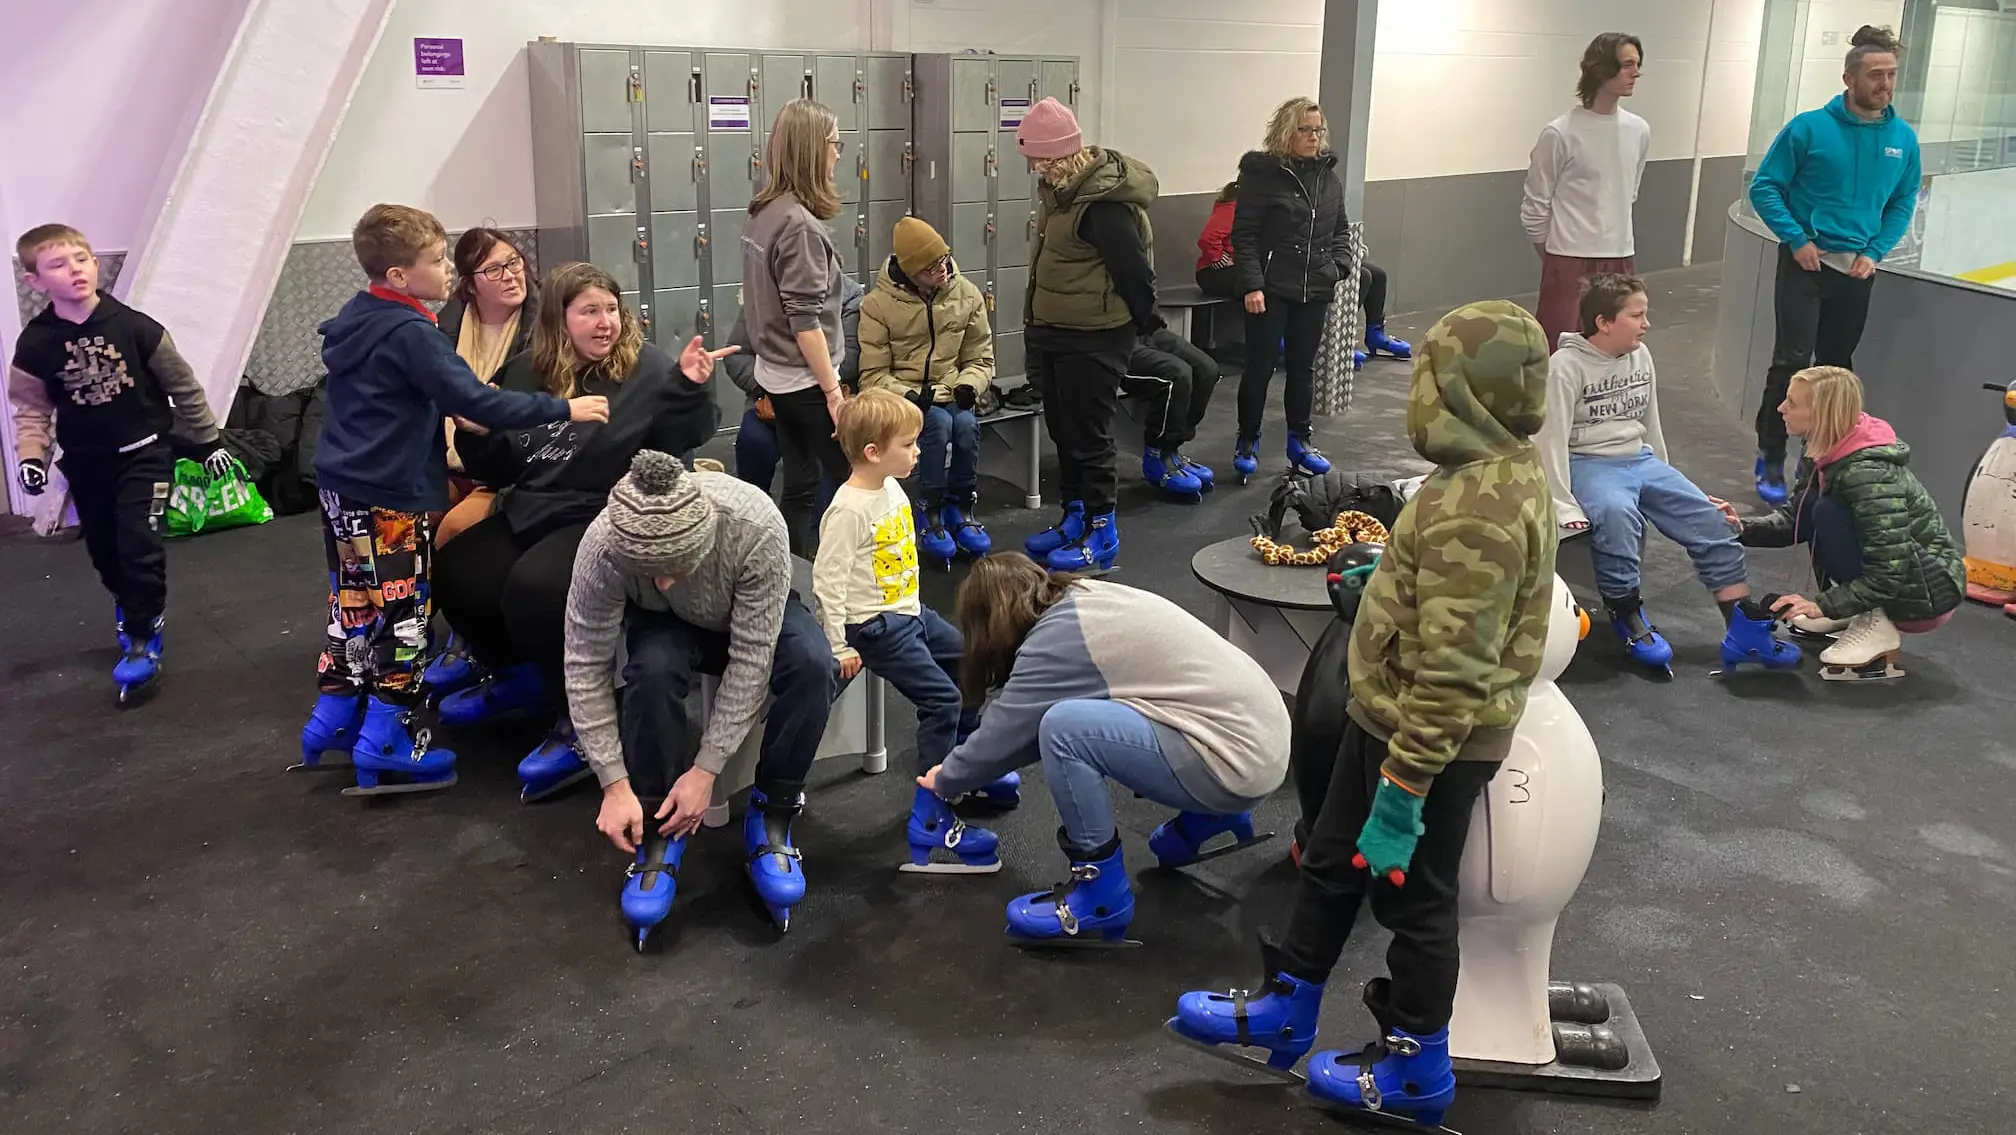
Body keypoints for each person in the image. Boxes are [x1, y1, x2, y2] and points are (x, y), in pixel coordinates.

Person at [1168, 301, 1557, 1127]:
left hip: (1427, 743)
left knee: (1411, 897)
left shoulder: (1475, 507)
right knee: (1332, 858)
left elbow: (1454, 670)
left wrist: (1405, 790)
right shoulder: (1487, 471)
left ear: (1460, 389)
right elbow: (1449, 605)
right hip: (1385, 716)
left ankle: (1417, 1062)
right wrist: (1383, 582)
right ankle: (1289, 1006)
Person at [296, 204, 608, 797]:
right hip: (388, 493)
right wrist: (567, 408)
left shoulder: (358, 316)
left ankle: (333, 718)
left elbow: (396, 395)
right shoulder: (413, 332)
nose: (446, 272)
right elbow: (484, 404)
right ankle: (387, 739)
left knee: (355, 601)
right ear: (398, 276)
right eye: (437, 261)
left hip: (341, 485)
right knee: (406, 611)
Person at [427, 262, 731, 801]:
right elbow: (498, 465)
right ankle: (518, 675)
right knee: (459, 572)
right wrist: (475, 435)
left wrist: (689, 387)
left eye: (611, 309)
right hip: (536, 506)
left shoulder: (649, 369)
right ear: (560, 320)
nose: (605, 322)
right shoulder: (525, 372)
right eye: (590, 311)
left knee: (536, 590)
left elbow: (684, 438)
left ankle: (582, 723)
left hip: (607, 512)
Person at [917, 552, 1289, 945]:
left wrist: (947, 777)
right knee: (1082, 718)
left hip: (1233, 762)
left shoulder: (1054, 641)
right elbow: (1022, 733)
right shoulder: (1087, 597)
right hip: (1264, 740)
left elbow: (1008, 730)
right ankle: (1210, 817)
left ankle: (1101, 897)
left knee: (1063, 729)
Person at [565, 451, 837, 943]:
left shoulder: (754, 525)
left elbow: (752, 656)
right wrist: (612, 782)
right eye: (651, 574)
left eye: (675, 569)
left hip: (745, 608)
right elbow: (585, 665)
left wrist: (706, 769)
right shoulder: (604, 546)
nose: (664, 582)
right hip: (666, 626)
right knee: (650, 671)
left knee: (814, 667)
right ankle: (657, 824)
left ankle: (773, 811)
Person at [8, 223, 232, 705]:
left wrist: (209, 440)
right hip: (87, 463)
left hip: (145, 455)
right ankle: (128, 603)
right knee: (106, 552)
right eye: (58, 264)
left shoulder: (135, 327)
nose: (75, 270)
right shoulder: (36, 344)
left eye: (82, 258)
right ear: (35, 281)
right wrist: (32, 457)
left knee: (139, 542)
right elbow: (30, 409)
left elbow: (183, 386)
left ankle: (143, 631)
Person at [1534, 275, 1797, 676]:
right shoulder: (1564, 367)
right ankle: (1627, 615)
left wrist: (1667, 476)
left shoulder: (1641, 356)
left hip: (1639, 458)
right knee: (1618, 514)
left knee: (1712, 520)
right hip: (1588, 462)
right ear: (1604, 322)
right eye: (1636, 315)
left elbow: (1649, 420)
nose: (1646, 323)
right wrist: (1561, 503)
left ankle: (1743, 630)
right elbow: (1549, 437)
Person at [812, 390, 1019, 874]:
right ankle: (934, 808)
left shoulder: (890, 487)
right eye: (909, 444)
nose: (918, 452)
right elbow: (828, 579)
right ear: (872, 452)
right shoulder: (847, 510)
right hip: (876, 626)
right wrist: (837, 643)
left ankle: (964, 766)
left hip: (910, 611)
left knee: (971, 662)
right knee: (942, 700)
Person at [1745, 25, 1920, 507]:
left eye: (1891, 75)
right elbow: (1765, 187)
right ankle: (1771, 453)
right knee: (1792, 364)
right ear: (1849, 78)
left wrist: (1877, 250)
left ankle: (1818, 462)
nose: (1885, 84)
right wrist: (1796, 238)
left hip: (1857, 271)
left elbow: (1903, 201)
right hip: (1806, 264)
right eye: (1875, 75)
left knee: (1836, 370)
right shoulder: (1808, 128)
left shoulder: (1903, 140)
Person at [1721, 366, 1963, 680]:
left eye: (1792, 403)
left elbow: (1890, 570)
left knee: (1829, 510)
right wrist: (1741, 528)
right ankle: (1854, 607)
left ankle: (1876, 622)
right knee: (1818, 507)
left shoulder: (1867, 473)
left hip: (1927, 595)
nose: (1781, 408)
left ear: (1821, 412)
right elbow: (1796, 520)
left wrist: (1822, 605)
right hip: (1900, 580)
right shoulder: (1825, 448)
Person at [1015, 96, 1161, 574]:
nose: (1034, 167)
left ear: (1060, 154)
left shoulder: (1101, 205)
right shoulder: (1058, 195)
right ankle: (1074, 515)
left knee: (1090, 434)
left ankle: (1103, 530)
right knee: (1063, 429)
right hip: (1057, 333)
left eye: (1038, 158)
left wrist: (1142, 327)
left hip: (1095, 336)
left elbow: (1134, 274)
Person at [745, 98, 852, 557]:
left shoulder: (764, 210)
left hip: (776, 375)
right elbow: (805, 322)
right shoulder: (799, 226)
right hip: (807, 381)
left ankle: (789, 579)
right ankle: (862, 587)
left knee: (801, 482)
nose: (839, 154)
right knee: (859, 484)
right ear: (812, 150)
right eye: (834, 143)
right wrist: (833, 394)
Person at [856, 217, 995, 565]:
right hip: (906, 396)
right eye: (932, 267)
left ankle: (960, 507)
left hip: (952, 388)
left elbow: (981, 357)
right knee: (937, 424)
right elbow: (872, 375)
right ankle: (927, 509)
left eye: (945, 260)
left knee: (965, 425)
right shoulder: (877, 305)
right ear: (911, 271)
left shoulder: (967, 295)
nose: (943, 270)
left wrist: (969, 385)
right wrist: (906, 396)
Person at [1229, 97, 1351, 483]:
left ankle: (1301, 441)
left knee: (1303, 370)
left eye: (1318, 130)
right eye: (1305, 129)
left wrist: (1338, 267)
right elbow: (1244, 235)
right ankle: (1247, 440)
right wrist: (1252, 284)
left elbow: (1341, 230)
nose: (1314, 137)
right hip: (1271, 287)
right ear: (1286, 132)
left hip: (1314, 286)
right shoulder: (1262, 178)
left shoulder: (1328, 178)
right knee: (1259, 369)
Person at [1519, 32, 1650, 352]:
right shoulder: (1560, 133)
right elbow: (1535, 206)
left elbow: (1628, 193)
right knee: (1561, 351)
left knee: (1617, 349)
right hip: (1568, 260)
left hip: (1620, 256)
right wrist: (1555, 259)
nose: (1635, 73)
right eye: (1627, 65)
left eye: (1637, 65)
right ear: (1601, 68)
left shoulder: (1639, 130)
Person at [1197, 180, 1407, 370]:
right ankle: (1303, 342)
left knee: (1374, 274)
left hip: (1275, 263)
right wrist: (1221, 260)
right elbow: (1209, 239)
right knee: (1277, 280)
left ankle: (1372, 333)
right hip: (1221, 272)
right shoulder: (1236, 206)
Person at [434, 228, 538, 540]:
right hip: (448, 464)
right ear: (469, 285)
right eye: (494, 270)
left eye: (514, 263)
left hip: (509, 473)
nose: (510, 276)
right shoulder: (444, 329)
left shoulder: (545, 331)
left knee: (452, 531)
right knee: (404, 520)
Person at [724, 272, 864, 496]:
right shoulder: (763, 295)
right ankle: (753, 509)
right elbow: (736, 355)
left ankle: (820, 525)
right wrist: (765, 386)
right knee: (753, 442)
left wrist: (799, 378)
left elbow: (849, 359)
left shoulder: (849, 296)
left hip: (824, 404)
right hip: (770, 400)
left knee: (821, 463)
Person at [1125, 327, 1220, 498]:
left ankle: (1171, 449)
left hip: (1142, 328)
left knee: (1207, 370)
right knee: (1176, 376)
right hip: (1108, 339)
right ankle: (1156, 456)